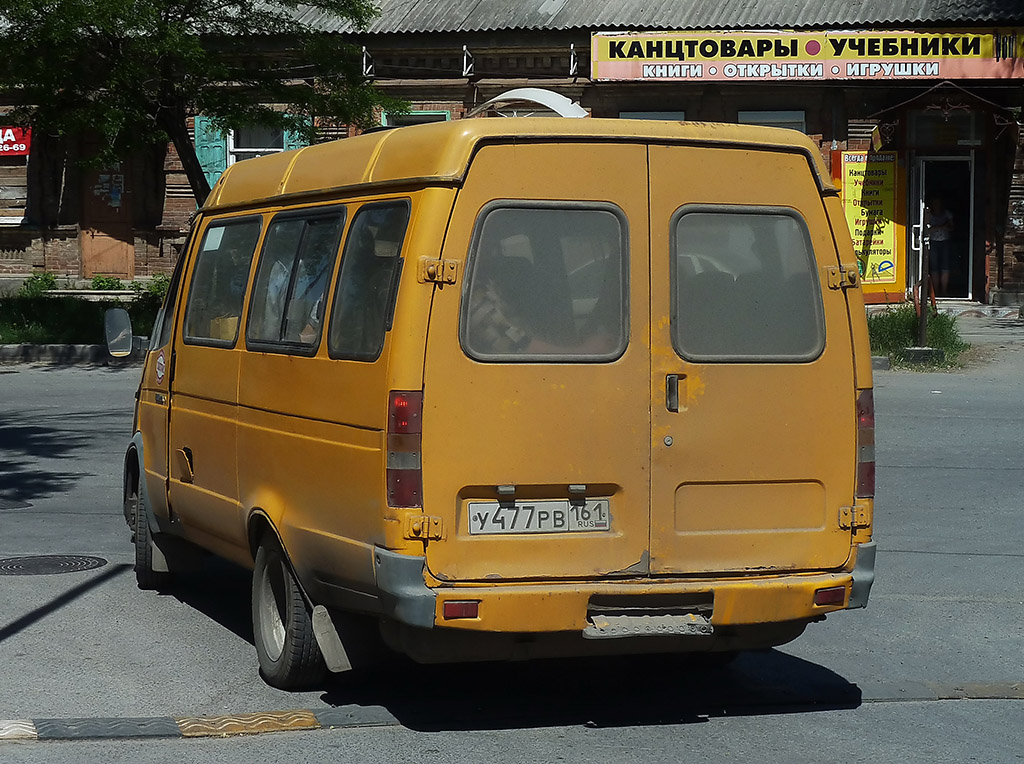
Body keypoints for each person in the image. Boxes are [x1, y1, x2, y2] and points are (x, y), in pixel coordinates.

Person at [926, 196, 954, 296]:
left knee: (945, 266)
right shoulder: (928, 214)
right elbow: (926, 227)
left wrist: (941, 227)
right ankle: (936, 291)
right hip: (933, 242)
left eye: (938, 202)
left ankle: (944, 291)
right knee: (934, 267)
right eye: (935, 203)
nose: (936, 205)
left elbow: (951, 227)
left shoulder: (946, 214)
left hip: (945, 241)